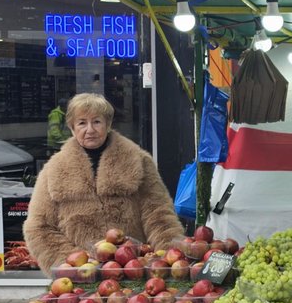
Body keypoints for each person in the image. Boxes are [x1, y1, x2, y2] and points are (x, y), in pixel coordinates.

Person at [24, 92, 185, 272]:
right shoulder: (54, 170)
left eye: (97, 122)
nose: (90, 129)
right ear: (72, 127)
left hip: (133, 270)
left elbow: (159, 214)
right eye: (82, 123)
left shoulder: (138, 161)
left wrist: (168, 260)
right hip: (80, 277)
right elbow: (39, 228)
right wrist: (70, 264)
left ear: (108, 124)